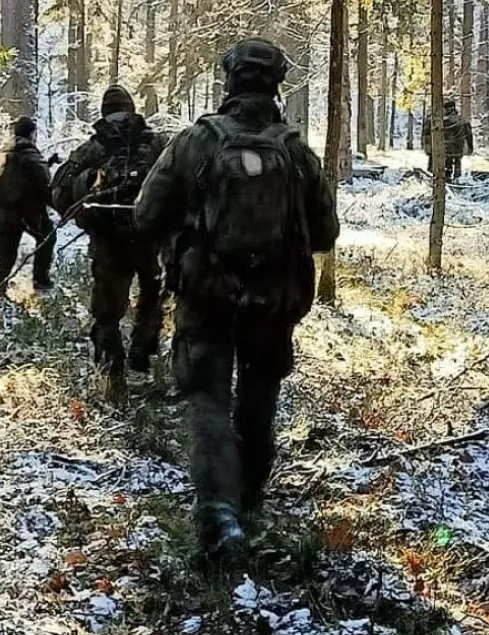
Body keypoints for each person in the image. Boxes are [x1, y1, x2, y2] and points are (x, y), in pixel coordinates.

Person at [134, 38, 339, 560]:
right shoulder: (295, 149)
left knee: (207, 397)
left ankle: (218, 513)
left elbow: (146, 215)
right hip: (273, 301)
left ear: (229, 80)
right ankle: (248, 500)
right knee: (259, 394)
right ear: (278, 83)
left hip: (207, 294)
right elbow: (325, 232)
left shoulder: (196, 141)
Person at [52, 86, 172, 399]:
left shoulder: (92, 148)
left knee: (107, 312)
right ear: (132, 109)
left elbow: (59, 192)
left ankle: (112, 376)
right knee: (151, 297)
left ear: (104, 112)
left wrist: (86, 201)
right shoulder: (158, 143)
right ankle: (143, 352)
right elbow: (183, 182)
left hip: (109, 245)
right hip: (150, 240)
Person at [0, 116, 56, 292]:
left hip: (3, 214)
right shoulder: (32, 155)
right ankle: (41, 282)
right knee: (48, 237)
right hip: (30, 214)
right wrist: (62, 206)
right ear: (33, 134)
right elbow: (45, 187)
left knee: (5, 255)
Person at [421, 99, 474, 181]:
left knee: (442, 165)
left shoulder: (435, 120)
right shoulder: (461, 120)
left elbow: (427, 135)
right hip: (457, 149)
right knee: (456, 163)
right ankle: (455, 180)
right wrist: (470, 147)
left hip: (442, 149)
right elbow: (469, 135)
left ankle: (442, 181)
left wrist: (427, 147)